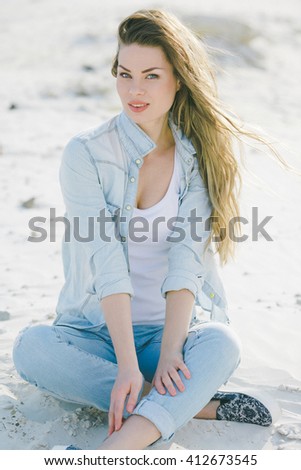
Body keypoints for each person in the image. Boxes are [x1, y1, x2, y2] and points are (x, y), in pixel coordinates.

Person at [13, 9, 279, 450]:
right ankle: (185, 404)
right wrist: (123, 364)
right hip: (95, 331)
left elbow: (185, 262)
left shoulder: (195, 157)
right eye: (125, 74)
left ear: (178, 79)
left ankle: (118, 447)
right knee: (32, 349)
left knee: (221, 342)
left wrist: (172, 351)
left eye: (152, 76)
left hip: (164, 335)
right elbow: (106, 262)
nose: (134, 90)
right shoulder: (86, 153)